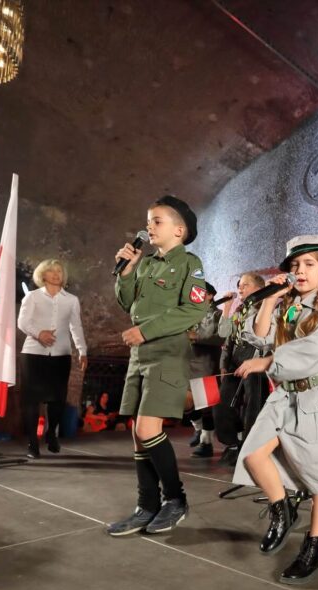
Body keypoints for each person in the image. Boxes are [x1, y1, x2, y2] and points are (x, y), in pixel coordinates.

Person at [231, 235, 318, 584]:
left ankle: (313, 547)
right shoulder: (287, 304)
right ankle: (283, 508)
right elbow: (258, 336)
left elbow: (316, 349)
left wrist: (269, 362)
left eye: (308, 264)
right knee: (253, 456)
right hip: (284, 395)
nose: (300, 271)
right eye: (294, 265)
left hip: (316, 396)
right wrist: (269, 299)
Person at [106, 195, 209, 537]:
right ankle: (146, 505)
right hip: (141, 354)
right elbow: (127, 302)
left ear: (180, 230)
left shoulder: (189, 263)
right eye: (148, 220)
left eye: (157, 221)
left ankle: (175, 499)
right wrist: (127, 271)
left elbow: (193, 310)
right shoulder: (147, 264)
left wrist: (146, 330)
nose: (149, 226)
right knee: (138, 435)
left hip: (166, 351)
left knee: (149, 430)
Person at [17, 259, 87, 459]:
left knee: (58, 399)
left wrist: (82, 351)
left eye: (59, 271)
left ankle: (51, 433)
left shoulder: (71, 300)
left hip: (61, 354)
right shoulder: (32, 297)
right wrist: (39, 333)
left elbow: (76, 326)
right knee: (31, 400)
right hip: (33, 355)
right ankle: (32, 443)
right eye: (51, 271)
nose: (56, 274)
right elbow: (22, 322)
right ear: (43, 275)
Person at [214, 272, 269, 465]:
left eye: (245, 285)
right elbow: (225, 335)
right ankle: (232, 444)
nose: (240, 288)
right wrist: (227, 308)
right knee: (222, 405)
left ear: (258, 288)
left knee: (252, 408)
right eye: (239, 285)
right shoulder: (240, 310)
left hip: (255, 366)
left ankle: (249, 449)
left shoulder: (267, 308)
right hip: (234, 365)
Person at [185, 282, 223, 458]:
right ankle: (198, 428)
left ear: (210, 295)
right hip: (186, 363)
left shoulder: (218, 315)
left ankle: (206, 442)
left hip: (205, 364)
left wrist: (196, 336)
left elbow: (221, 338)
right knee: (182, 401)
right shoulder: (188, 313)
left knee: (206, 404)